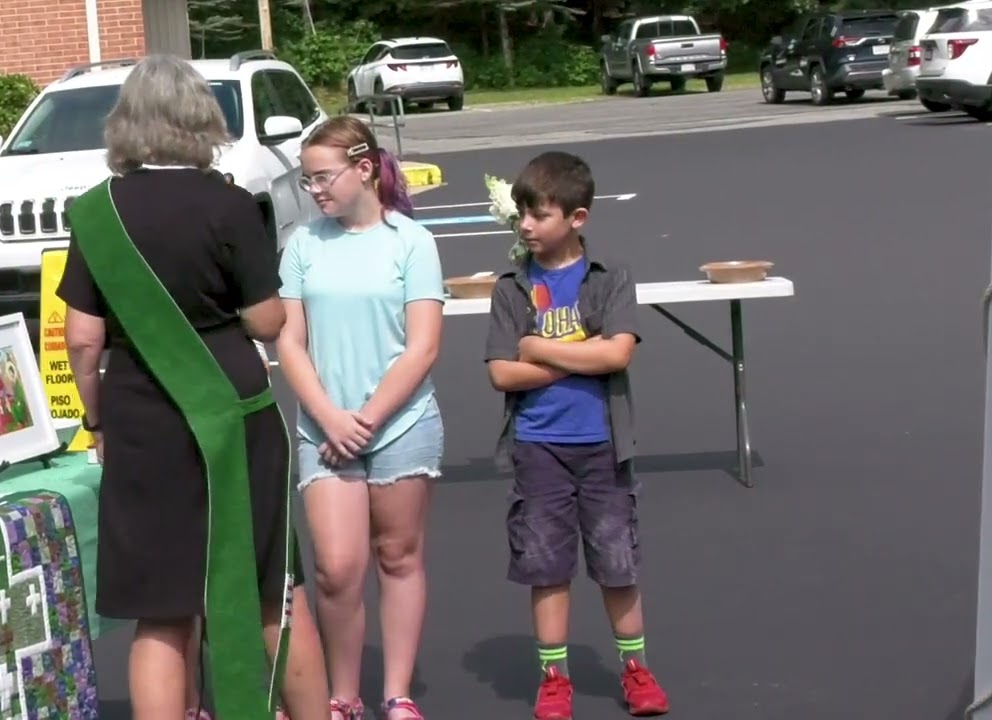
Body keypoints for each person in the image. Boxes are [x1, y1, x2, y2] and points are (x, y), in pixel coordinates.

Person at [56, 54, 329, 720]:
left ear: (126, 125)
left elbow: (82, 339)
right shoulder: (231, 204)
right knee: (270, 588)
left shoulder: (96, 212)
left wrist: (95, 420)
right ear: (201, 121)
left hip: (142, 419)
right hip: (232, 409)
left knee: (163, 608)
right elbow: (267, 320)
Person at [483, 151, 670, 719]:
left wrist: (539, 348)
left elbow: (619, 353)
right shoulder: (511, 288)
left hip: (604, 445)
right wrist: (580, 354)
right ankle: (554, 679)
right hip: (538, 448)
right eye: (521, 215)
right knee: (547, 566)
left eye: (538, 215)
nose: (525, 226)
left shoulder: (609, 278)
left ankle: (636, 669)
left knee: (617, 561)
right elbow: (501, 373)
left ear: (577, 218)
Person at [275, 116, 445, 720]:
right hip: (324, 432)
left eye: (323, 177)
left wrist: (367, 419)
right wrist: (330, 417)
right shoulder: (301, 243)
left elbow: (423, 345)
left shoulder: (411, 242)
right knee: (336, 569)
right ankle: (340, 696)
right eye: (307, 179)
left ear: (365, 168)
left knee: (398, 557)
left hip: (401, 424)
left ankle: (396, 694)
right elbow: (289, 342)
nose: (314, 189)